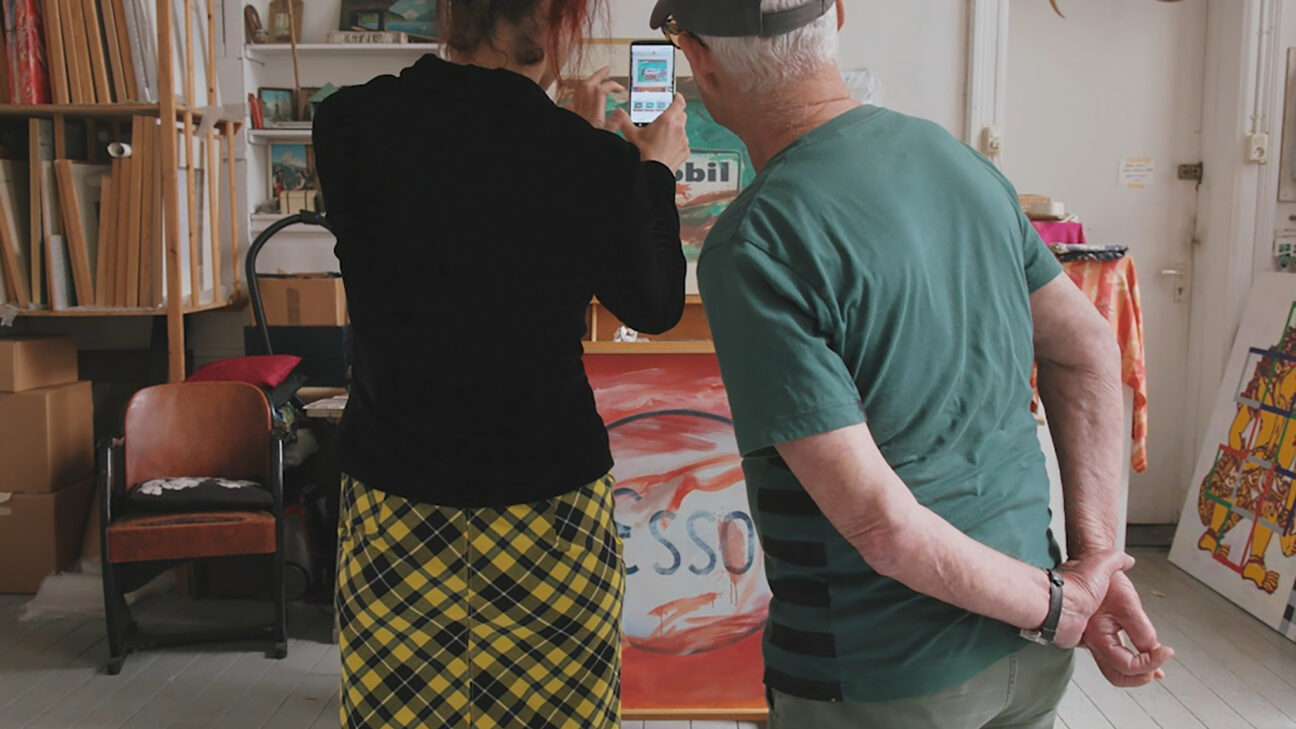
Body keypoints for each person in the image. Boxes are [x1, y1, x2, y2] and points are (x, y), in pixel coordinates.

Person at [647, 1, 1176, 727]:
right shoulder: (956, 161)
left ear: (699, 60)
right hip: (1030, 651)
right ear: (837, 16)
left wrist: (1066, 602)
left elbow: (881, 527)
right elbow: (1088, 347)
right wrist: (1091, 565)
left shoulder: (756, 240)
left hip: (884, 671)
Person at [312, 0, 690, 725]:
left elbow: (470, 183)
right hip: (547, 503)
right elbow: (653, 304)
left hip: (396, 494)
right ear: (553, 23)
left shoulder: (349, 123)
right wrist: (652, 172)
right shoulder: (587, 160)